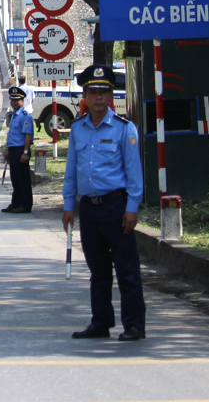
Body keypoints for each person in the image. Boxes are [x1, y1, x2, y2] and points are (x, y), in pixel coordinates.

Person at [62, 64, 146, 341]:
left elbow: (134, 173)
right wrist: (68, 205)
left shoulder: (125, 128)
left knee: (126, 270)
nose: (98, 97)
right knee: (98, 271)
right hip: (89, 207)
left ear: (111, 96)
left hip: (116, 207)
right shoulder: (77, 129)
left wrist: (132, 208)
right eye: (93, 92)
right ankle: (100, 323)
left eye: (104, 92)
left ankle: (134, 325)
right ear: (84, 96)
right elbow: (71, 170)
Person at [2, 86, 35, 213]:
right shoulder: (15, 115)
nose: (14, 102)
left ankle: (25, 205)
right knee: (15, 179)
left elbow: (28, 135)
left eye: (17, 100)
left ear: (23, 101)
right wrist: (7, 150)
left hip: (21, 150)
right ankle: (16, 203)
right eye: (12, 99)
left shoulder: (25, 116)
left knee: (23, 179)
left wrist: (25, 152)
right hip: (13, 150)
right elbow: (12, 134)